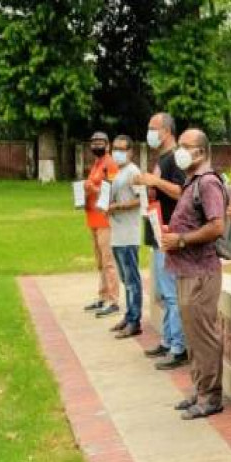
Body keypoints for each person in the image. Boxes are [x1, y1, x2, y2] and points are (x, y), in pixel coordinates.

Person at [160, 129, 226, 420]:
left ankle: (211, 396)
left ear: (200, 152)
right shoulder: (192, 182)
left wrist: (182, 240)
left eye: (186, 147)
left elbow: (216, 226)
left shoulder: (208, 183)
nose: (180, 152)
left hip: (201, 272)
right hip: (187, 271)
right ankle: (200, 388)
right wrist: (173, 234)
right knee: (193, 335)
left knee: (204, 335)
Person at [135, 113, 188, 369]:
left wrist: (155, 181)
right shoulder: (163, 158)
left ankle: (178, 347)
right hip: (158, 232)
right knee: (165, 294)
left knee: (172, 294)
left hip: (170, 231)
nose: (149, 133)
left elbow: (181, 192)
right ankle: (168, 341)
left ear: (166, 131)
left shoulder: (176, 159)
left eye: (152, 128)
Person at [106, 135, 143, 339]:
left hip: (129, 234)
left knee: (132, 280)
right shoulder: (118, 172)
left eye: (122, 149)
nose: (117, 153)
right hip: (117, 233)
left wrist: (117, 206)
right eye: (115, 149)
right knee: (124, 278)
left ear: (130, 151)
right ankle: (128, 316)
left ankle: (134, 321)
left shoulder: (133, 172)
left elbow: (141, 200)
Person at [82, 131, 120, 318]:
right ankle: (103, 295)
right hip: (93, 218)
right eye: (93, 141)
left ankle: (113, 299)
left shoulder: (110, 164)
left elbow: (112, 191)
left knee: (108, 260)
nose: (96, 145)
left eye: (100, 142)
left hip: (104, 219)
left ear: (108, 144)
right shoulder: (96, 164)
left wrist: (93, 188)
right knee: (100, 261)